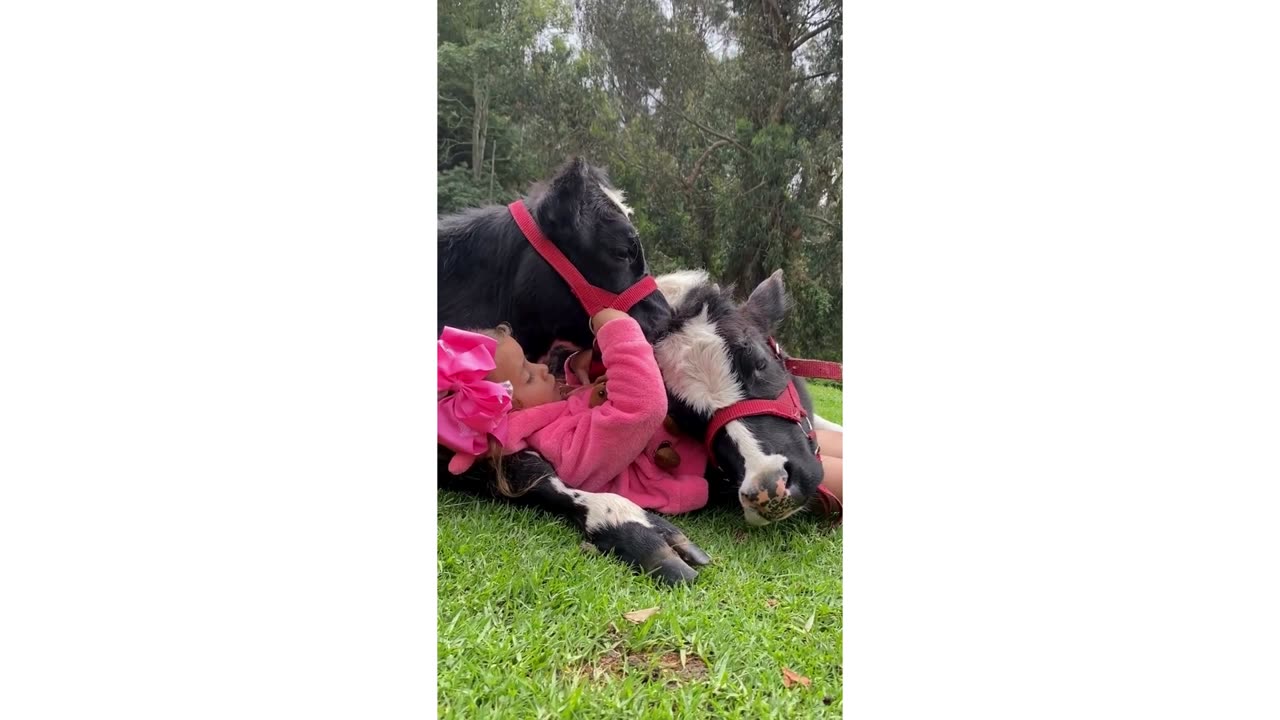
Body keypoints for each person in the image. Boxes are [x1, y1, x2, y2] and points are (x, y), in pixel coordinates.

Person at [438, 308, 841, 516]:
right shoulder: (557, 445)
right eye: (527, 375)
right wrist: (618, 329)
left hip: (701, 444)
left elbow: (585, 409)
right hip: (705, 470)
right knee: (818, 467)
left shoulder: (552, 416)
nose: (542, 367)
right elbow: (641, 410)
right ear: (513, 413)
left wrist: (581, 381)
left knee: (814, 438)